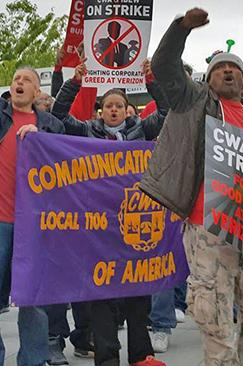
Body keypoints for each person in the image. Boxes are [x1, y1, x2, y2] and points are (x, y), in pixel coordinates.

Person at [140, 8, 243, 365]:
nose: (228, 70)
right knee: (215, 317)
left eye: (234, 67)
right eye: (220, 67)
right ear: (208, 79)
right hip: (208, 225)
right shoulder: (192, 101)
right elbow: (164, 65)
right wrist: (182, 27)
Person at [51, 59, 168, 366]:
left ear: (128, 109)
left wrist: (152, 81)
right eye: (108, 105)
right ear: (101, 110)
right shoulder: (87, 130)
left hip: (135, 218)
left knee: (138, 288)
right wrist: (74, 82)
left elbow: (169, 112)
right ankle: (106, 358)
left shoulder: (142, 129)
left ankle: (142, 355)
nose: (114, 109)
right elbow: (58, 116)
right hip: (99, 223)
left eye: (119, 105)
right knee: (101, 292)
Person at [0, 66, 65, 366]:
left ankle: (34, 360)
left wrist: (43, 141)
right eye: (16, 80)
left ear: (37, 92)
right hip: (0, 223)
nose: (19, 83)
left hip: (35, 225)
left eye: (27, 80)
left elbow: (67, 163)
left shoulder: (51, 125)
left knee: (34, 298)